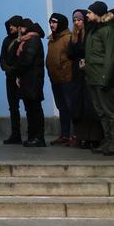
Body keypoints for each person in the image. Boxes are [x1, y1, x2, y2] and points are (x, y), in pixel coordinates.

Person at [84, 1, 114, 155]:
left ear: (97, 13)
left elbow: (110, 56)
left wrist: (106, 76)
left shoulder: (108, 30)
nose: (87, 15)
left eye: (89, 12)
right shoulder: (94, 30)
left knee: (110, 111)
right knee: (101, 111)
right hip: (93, 76)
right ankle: (108, 139)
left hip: (102, 76)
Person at [69, 9, 102, 149]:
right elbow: (70, 53)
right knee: (79, 106)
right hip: (78, 74)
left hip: (89, 72)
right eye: (75, 20)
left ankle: (94, 137)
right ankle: (82, 137)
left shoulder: (89, 33)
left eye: (79, 20)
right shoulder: (74, 36)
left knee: (91, 105)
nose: (77, 23)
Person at [14, 19, 46, 147]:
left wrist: (17, 71)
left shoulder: (32, 40)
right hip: (29, 79)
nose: (19, 31)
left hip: (32, 79)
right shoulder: (28, 40)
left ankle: (38, 137)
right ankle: (33, 136)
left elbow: (27, 59)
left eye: (20, 28)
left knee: (34, 109)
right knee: (31, 109)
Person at [46, 13, 75, 146]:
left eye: (54, 22)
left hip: (67, 78)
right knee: (62, 107)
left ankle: (75, 135)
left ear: (61, 24)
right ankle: (64, 135)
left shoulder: (68, 38)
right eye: (50, 22)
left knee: (71, 107)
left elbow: (71, 58)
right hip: (56, 79)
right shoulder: (52, 40)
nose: (51, 25)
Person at [0, 15, 25, 144]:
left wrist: (14, 70)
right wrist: (7, 68)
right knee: (13, 107)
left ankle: (32, 133)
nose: (10, 27)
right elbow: (2, 58)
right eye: (9, 25)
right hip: (10, 77)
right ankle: (15, 134)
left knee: (28, 105)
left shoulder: (22, 40)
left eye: (13, 25)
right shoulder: (6, 40)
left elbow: (22, 59)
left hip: (21, 77)